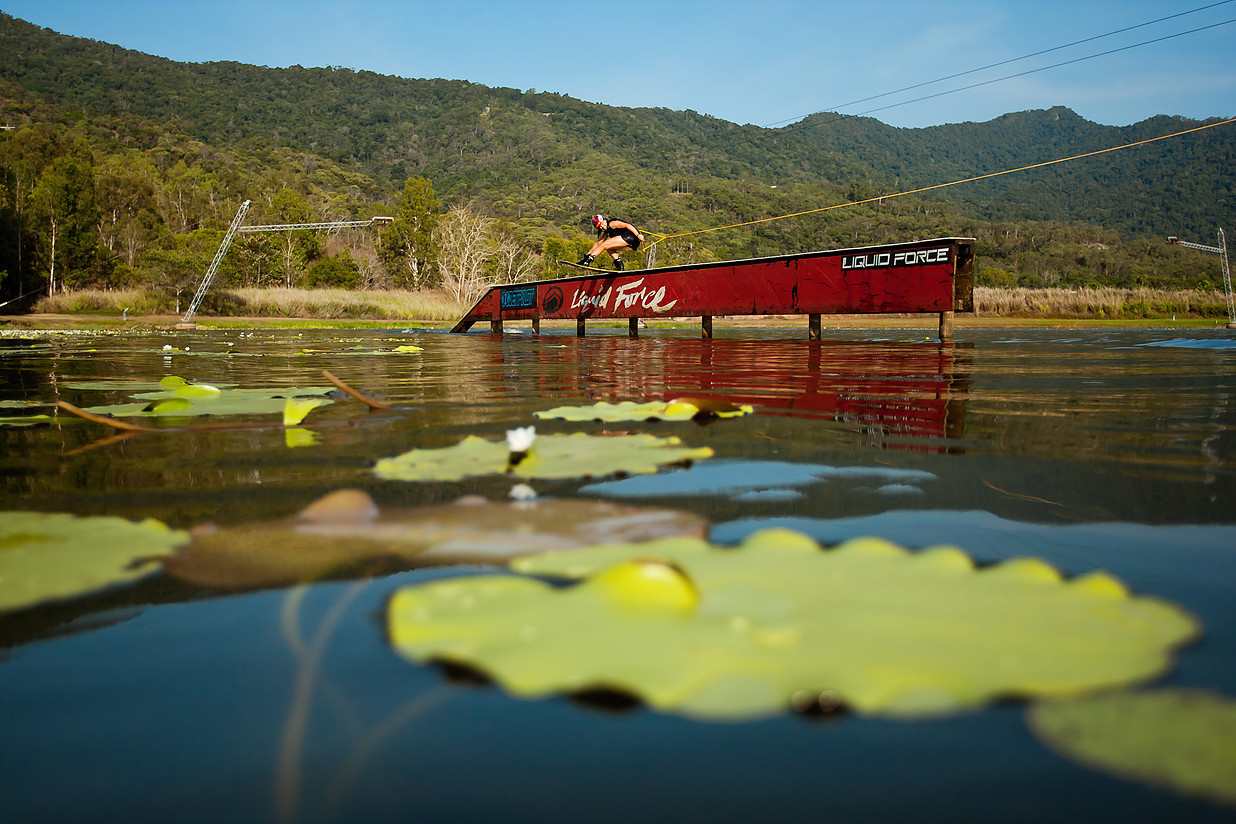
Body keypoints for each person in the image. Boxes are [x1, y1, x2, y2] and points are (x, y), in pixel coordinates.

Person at [578, 215, 644, 270]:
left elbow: (627, 225)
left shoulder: (612, 223)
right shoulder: (607, 232)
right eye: (600, 227)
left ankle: (588, 261)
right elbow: (598, 243)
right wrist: (587, 255)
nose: (602, 227)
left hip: (630, 237)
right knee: (608, 248)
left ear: (605, 220)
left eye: (602, 224)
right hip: (632, 245)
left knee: (604, 245)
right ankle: (619, 265)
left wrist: (638, 235)